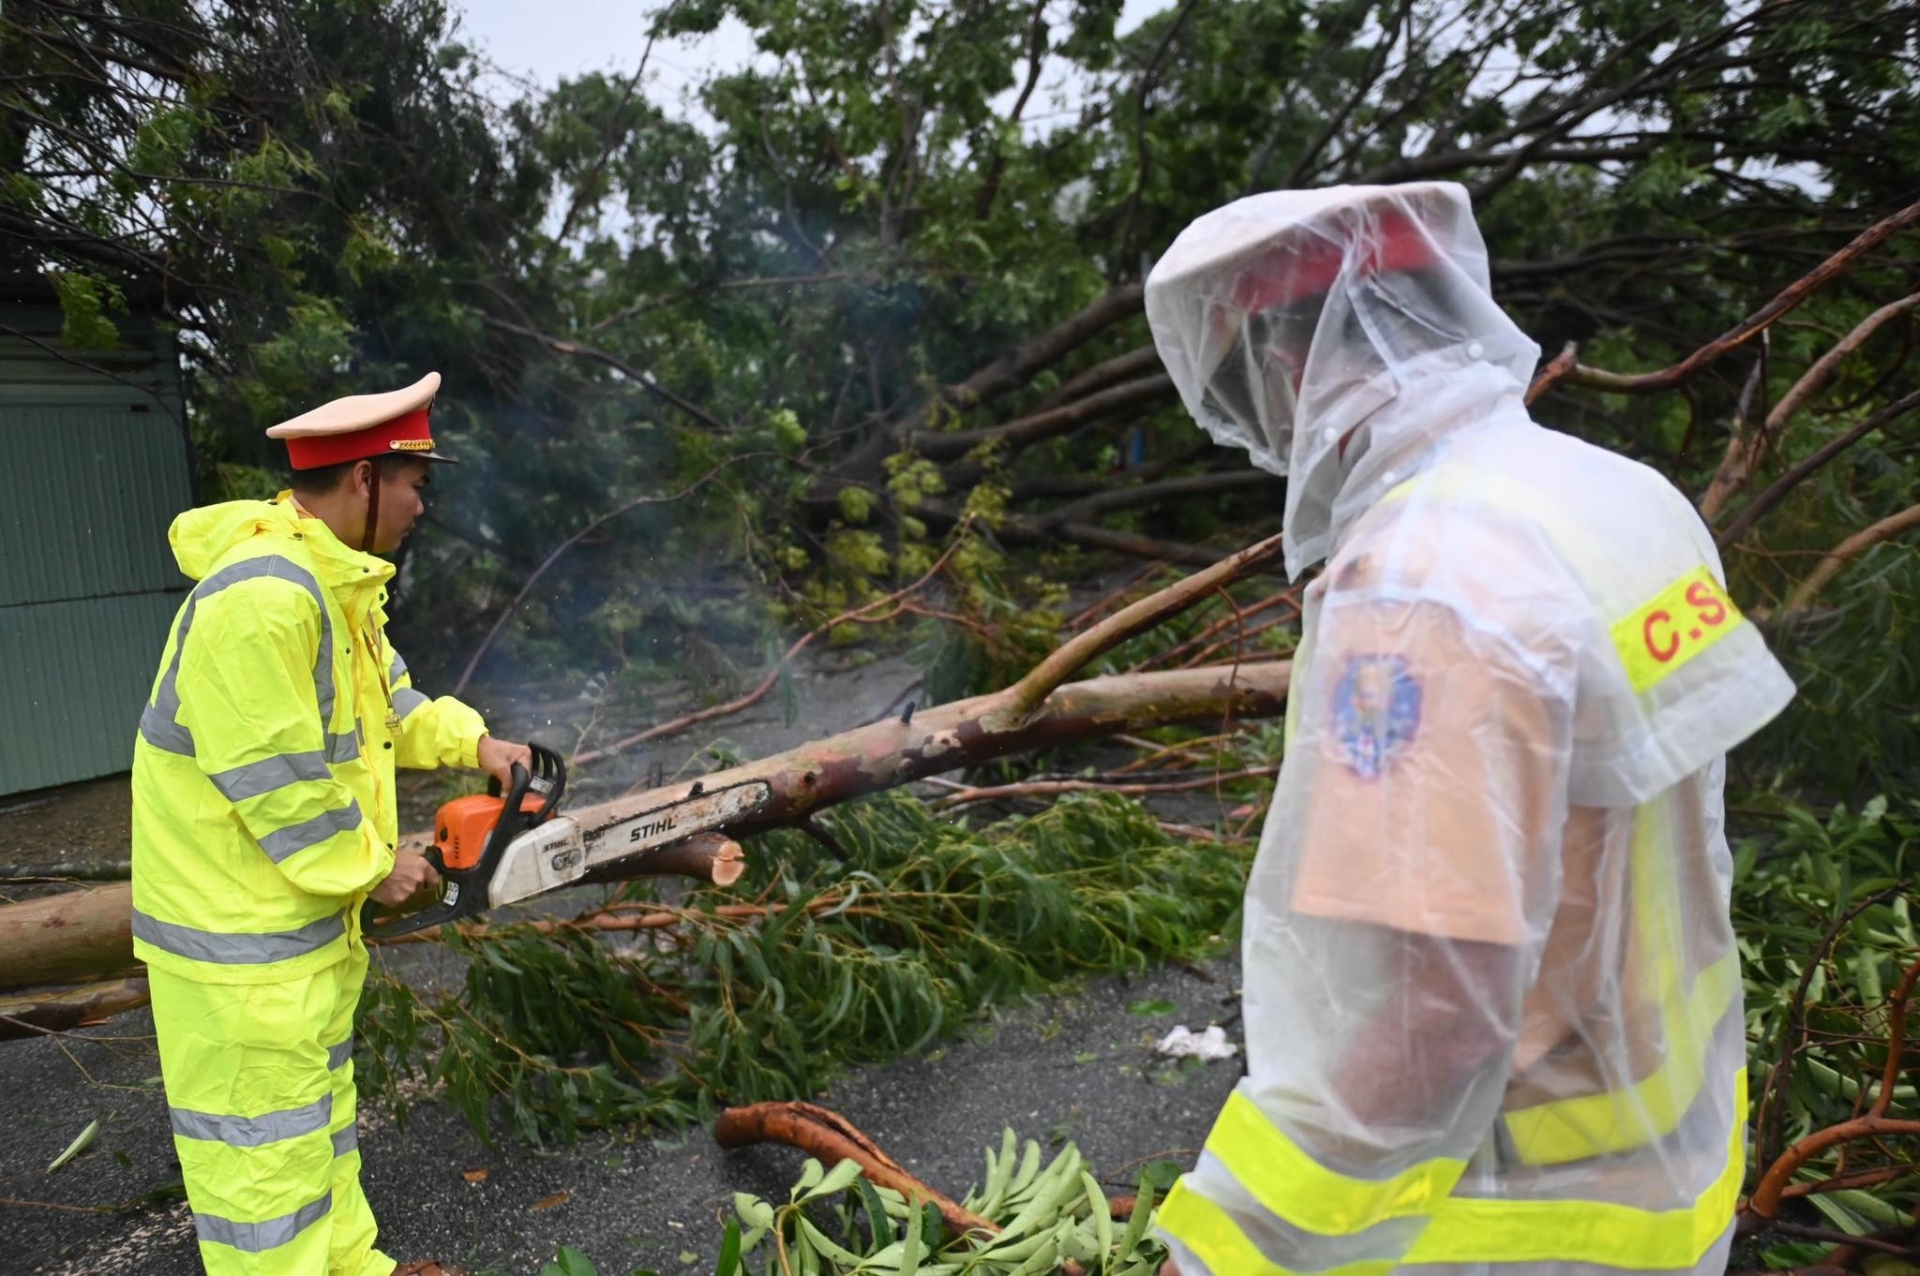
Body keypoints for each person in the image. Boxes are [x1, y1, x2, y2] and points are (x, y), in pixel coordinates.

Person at [1142, 184, 1796, 1275]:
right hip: (1667, 1181)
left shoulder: (1417, 582)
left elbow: (1428, 1007)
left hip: (1511, 1222)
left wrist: (1229, 1250)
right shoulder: (1618, 496)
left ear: (1290, 365)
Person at [131, 371, 531, 1276]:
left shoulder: (333, 585)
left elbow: (390, 705)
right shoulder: (263, 600)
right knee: (264, 1190)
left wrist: (479, 744)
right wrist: (371, 866)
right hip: (237, 945)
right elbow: (275, 783)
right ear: (363, 479)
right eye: (416, 485)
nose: (423, 507)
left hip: (292, 934)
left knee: (316, 1142)